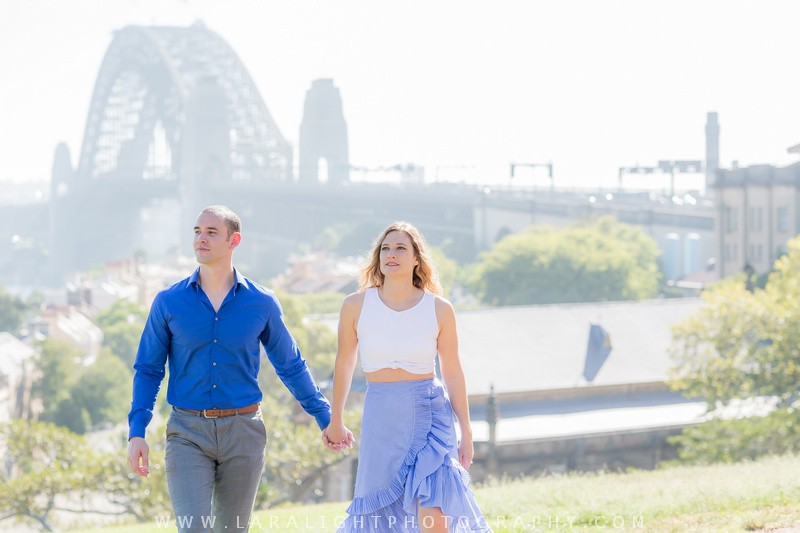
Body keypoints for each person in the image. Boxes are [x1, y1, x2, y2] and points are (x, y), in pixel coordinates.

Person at [127, 205, 331, 532]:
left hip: (244, 433)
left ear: (234, 240)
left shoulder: (262, 303)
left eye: (211, 232)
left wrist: (325, 417)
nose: (200, 239)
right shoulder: (168, 301)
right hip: (187, 433)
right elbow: (149, 369)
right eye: (197, 231)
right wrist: (137, 430)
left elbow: (290, 364)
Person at [323, 221, 492, 532]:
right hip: (381, 417)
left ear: (417, 258)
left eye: (401, 248)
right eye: (385, 248)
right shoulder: (355, 306)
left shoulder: (440, 308)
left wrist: (466, 430)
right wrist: (336, 419)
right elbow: (344, 364)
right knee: (383, 518)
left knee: (435, 516)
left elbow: (452, 370)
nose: (392, 254)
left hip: (429, 414)